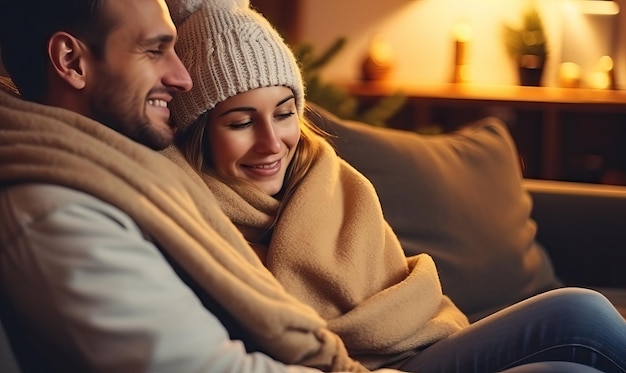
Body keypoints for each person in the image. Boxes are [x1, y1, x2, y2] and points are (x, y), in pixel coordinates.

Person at [167, 0, 626, 372]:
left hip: (420, 348)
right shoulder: (191, 214)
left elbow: (408, 299)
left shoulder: (334, 182)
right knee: (577, 314)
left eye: (285, 114)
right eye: (242, 122)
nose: (272, 143)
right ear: (199, 131)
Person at [0, 0, 400, 372]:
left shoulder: (119, 171)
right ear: (72, 61)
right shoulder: (60, 213)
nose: (182, 78)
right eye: (155, 50)